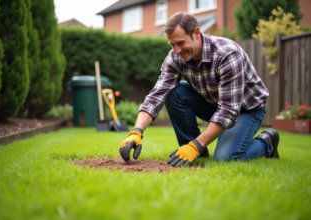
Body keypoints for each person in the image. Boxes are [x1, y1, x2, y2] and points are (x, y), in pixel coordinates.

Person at [119, 12, 280, 167]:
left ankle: (267, 142)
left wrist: (197, 145)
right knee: (173, 93)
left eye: (181, 43)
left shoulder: (227, 54)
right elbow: (156, 96)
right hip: (215, 103)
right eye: (172, 44)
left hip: (247, 109)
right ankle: (194, 150)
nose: (177, 50)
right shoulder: (175, 57)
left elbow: (229, 110)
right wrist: (136, 132)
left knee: (226, 158)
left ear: (196, 33)